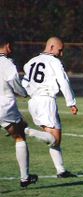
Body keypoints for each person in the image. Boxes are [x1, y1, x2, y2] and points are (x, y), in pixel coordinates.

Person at [0, 34, 56, 187]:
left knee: (17, 130)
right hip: (4, 107)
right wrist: (24, 92)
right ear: (8, 46)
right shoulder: (6, 63)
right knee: (19, 136)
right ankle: (25, 178)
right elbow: (13, 82)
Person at [22, 37, 78, 178]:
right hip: (46, 101)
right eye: (60, 50)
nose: (61, 54)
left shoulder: (30, 62)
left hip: (33, 102)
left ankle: (61, 171)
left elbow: (24, 83)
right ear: (52, 47)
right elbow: (63, 82)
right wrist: (71, 102)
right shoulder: (54, 62)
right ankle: (26, 130)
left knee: (52, 139)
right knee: (55, 140)